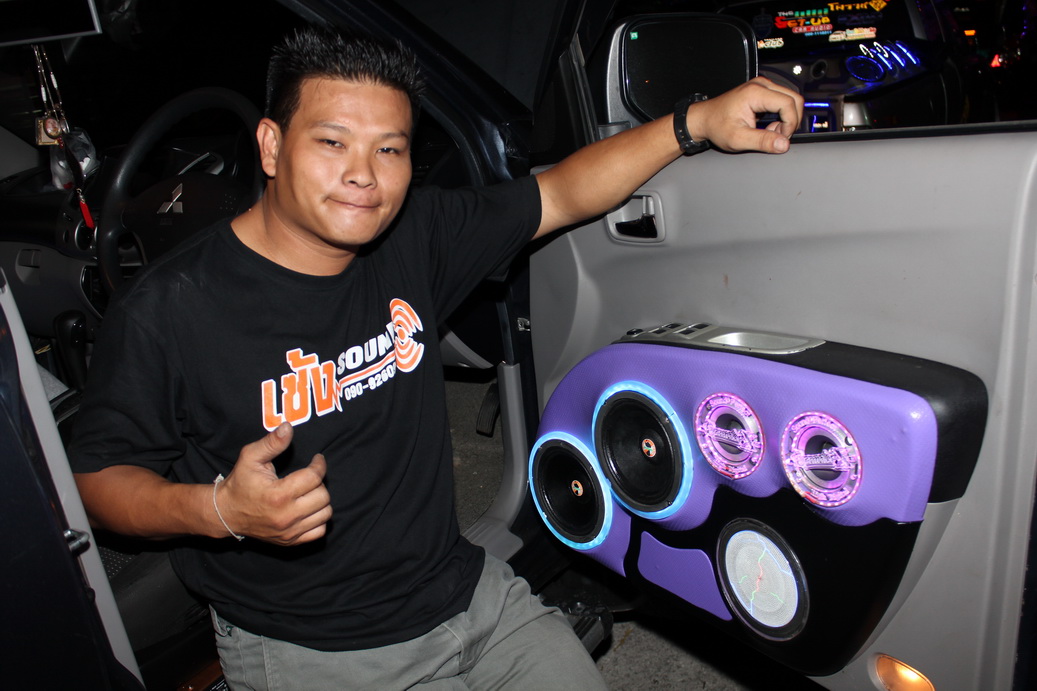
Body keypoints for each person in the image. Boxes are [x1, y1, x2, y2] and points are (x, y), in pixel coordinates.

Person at [69, 27, 802, 690]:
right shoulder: (172, 308)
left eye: (389, 149)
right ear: (269, 146)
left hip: (468, 593)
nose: (364, 174)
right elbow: (97, 480)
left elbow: (558, 194)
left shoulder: (414, 235)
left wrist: (694, 123)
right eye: (332, 142)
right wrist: (220, 510)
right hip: (315, 647)